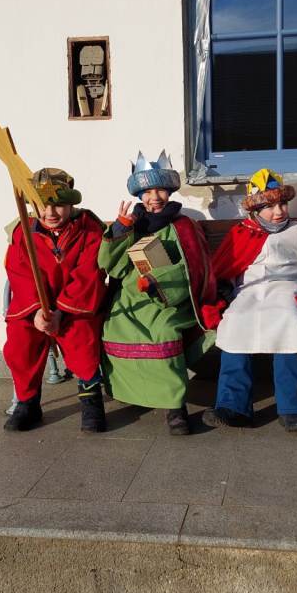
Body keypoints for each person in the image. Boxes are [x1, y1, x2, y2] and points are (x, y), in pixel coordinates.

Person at [200, 169, 297, 434]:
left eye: (282, 204)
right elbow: (225, 267)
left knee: (289, 323)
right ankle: (233, 406)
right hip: (247, 292)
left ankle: (293, 408)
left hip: (286, 289)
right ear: (255, 209)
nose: (278, 211)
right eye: (269, 206)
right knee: (234, 322)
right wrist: (223, 288)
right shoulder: (241, 232)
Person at [99, 151, 216, 435]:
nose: (155, 197)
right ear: (139, 194)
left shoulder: (184, 226)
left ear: (170, 191)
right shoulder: (131, 224)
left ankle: (175, 407)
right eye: (148, 192)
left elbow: (193, 268)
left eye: (161, 190)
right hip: (129, 296)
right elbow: (111, 265)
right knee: (115, 326)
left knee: (164, 333)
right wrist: (120, 229)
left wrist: (157, 281)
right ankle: (134, 393)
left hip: (170, 299)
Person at [2, 168, 108, 433]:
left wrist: (61, 312)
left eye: (58, 205)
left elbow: (88, 274)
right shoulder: (22, 231)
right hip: (33, 306)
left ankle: (91, 400)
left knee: (82, 336)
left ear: (71, 204)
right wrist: (38, 311)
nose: (50, 213)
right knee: (20, 341)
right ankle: (28, 403)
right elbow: (19, 272)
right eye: (42, 205)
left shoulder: (90, 229)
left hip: (75, 305)